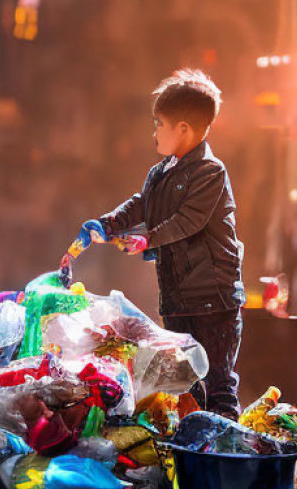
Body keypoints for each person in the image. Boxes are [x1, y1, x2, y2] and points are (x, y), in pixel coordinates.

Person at [75, 70, 245, 419]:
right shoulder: (160, 173)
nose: (154, 132)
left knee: (217, 385)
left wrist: (147, 238)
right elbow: (141, 204)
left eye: (159, 124)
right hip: (177, 300)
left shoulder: (211, 173)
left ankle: (228, 459)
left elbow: (189, 221)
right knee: (186, 385)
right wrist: (106, 226)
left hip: (213, 302)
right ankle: (191, 460)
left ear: (184, 129)